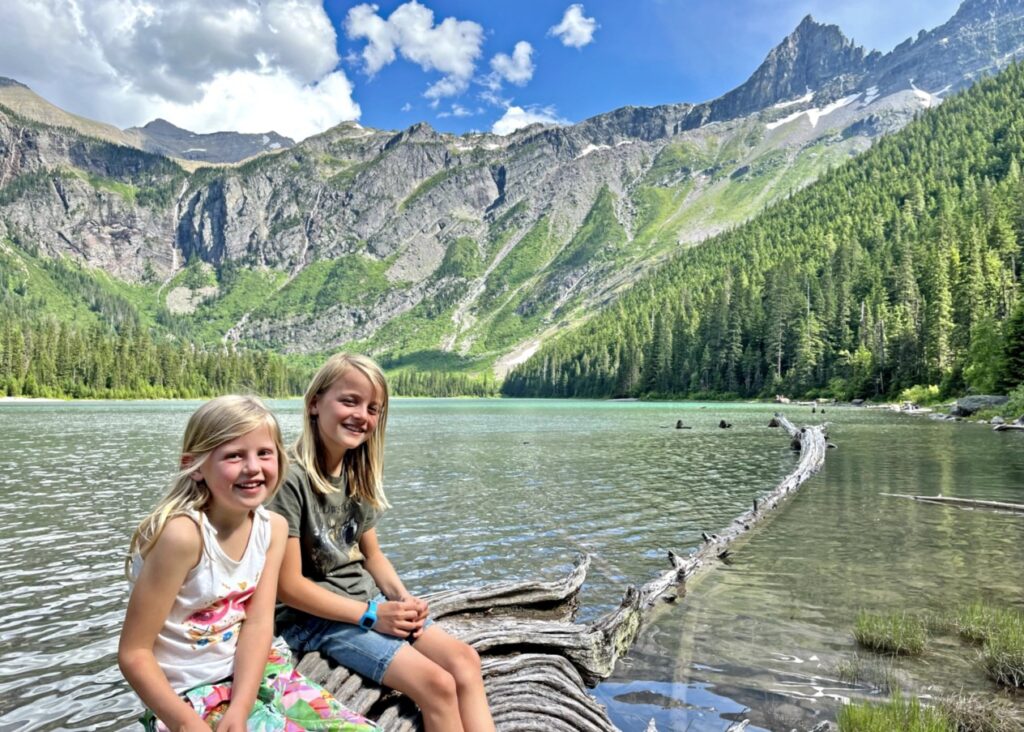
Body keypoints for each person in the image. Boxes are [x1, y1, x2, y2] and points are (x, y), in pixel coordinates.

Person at [118, 394, 378, 732]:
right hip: (184, 694)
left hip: (256, 672)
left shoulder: (273, 529)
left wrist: (240, 708)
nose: (253, 468)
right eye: (234, 455)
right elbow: (134, 652)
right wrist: (184, 724)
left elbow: (257, 624)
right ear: (193, 466)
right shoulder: (184, 537)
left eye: (264, 453)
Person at [271, 354, 495, 732]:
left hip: (366, 604)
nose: (362, 415)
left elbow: (372, 555)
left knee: (465, 661)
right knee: (437, 685)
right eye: (349, 401)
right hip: (316, 619)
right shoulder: (289, 478)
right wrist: (370, 616)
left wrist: (402, 600)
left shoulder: (356, 472)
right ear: (314, 403)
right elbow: (288, 587)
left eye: (373, 408)